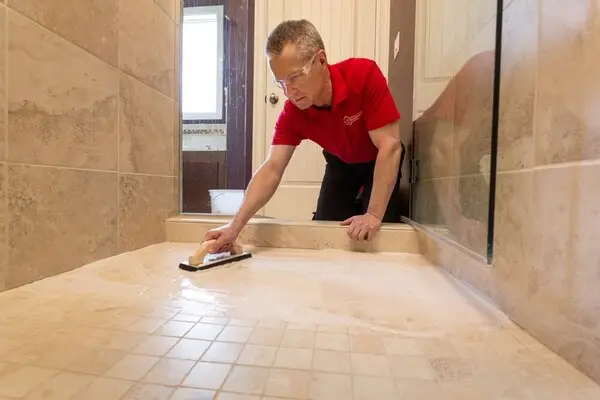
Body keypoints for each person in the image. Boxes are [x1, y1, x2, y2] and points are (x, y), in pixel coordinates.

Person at [205, 19, 405, 253]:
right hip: (341, 163)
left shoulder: (363, 74)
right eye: (280, 82)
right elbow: (272, 168)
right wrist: (234, 227)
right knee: (325, 225)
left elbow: (390, 145)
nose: (289, 92)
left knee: (380, 230)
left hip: (378, 158)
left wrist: (372, 214)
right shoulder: (293, 113)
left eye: (295, 77)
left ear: (321, 60)